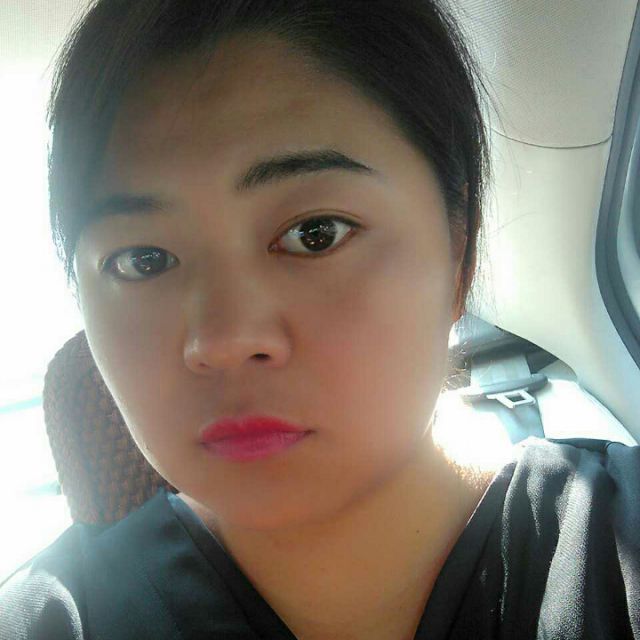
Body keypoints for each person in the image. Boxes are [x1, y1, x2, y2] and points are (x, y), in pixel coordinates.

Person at [1, 1, 639, 638]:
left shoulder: (615, 551)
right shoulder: (48, 622)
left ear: (459, 250)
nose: (224, 341)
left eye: (316, 234)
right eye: (144, 260)